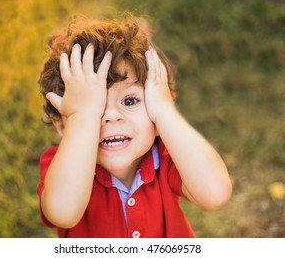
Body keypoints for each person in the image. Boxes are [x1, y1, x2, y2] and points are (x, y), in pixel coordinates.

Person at [37, 14, 232, 238]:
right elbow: (62, 213)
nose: (110, 116)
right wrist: (82, 117)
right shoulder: (59, 165)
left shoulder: (167, 157)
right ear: (62, 127)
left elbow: (215, 193)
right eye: (95, 108)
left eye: (130, 101)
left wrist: (165, 112)